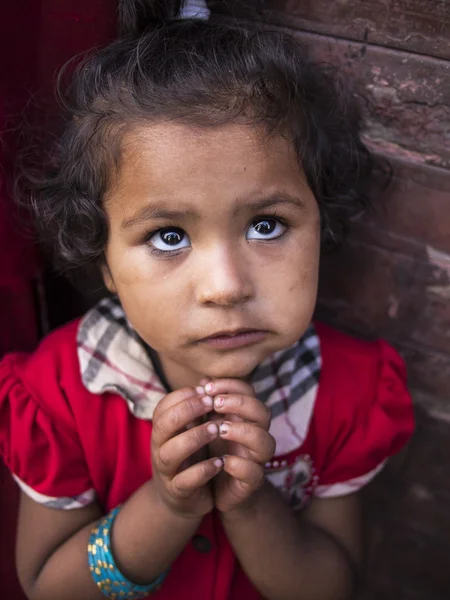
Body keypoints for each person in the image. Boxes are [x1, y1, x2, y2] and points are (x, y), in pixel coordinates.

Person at [0, 1, 414, 599]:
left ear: (320, 223)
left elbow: (332, 588)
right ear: (104, 261)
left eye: (267, 225)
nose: (225, 286)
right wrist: (167, 507)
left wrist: (251, 506)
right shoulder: (58, 398)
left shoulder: (348, 394)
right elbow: (46, 588)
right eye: (169, 237)